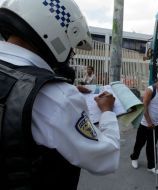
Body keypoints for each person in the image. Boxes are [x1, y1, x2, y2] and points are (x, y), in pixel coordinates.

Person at [0, 1, 120, 190]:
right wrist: (107, 111)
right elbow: (106, 158)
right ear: (55, 31)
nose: (71, 54)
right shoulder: (56, 97)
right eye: (72, 46)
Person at [130, 69, 158, 175]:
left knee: (152, 145)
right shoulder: (151, 90)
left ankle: (151, 166)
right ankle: (134, 158)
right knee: (139, 144)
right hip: (145, 124)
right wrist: (149, 122)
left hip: (155, 124)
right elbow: (144, 107)